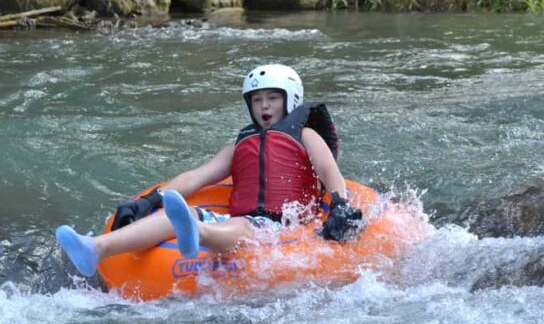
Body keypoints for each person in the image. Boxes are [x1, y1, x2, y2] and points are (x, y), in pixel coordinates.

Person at [56, 64, 363, 277]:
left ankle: (198, 233)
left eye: (272, 98)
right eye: (257, 100)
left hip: (283, 227)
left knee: (246, 228)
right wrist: (149, 200)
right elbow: (197, 177)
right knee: (182, 215)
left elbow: (327, 168)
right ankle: (95, 248)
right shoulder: (240, 143)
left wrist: (340, 205)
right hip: (242, 220)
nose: (264, 106)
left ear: (290, 100)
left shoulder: (305, 135)